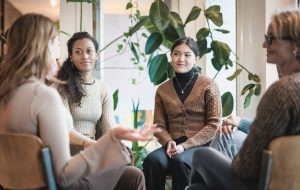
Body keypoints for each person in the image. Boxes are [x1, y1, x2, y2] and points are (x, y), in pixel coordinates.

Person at [0, 13, 160, 190]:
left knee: (131, 174)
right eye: (55, 43)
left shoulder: (7, 92)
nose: (56, 51)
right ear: (42, 47)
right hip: (55, 184)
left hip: (21, 185)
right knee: (128, 169)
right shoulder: (44, 96)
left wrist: (112, 137)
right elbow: (64, 174)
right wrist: (112, 141)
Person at [187, 9, 300, 190]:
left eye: (271, 38)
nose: (264, 44)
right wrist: (240, 123)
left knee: (202, 154)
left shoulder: (284, 90)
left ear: (295, 45)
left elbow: (246, 168)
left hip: (260, 183)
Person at [142, 37, 222, 190]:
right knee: (152, 161)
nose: (181, 59)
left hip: (201, 146)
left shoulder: (209, 85)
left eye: (187, 55)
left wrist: (185, 146)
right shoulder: (162, 90)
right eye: (176, 54)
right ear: (171, 57)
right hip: (173, 146)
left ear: (196, 59)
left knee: (180, 161)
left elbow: (214, 124)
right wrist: (168, 142)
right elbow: (159, 125)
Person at [56, 32, 114, 144]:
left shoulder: (103, 89)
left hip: (93, 148)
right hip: (68, 148)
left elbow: (109, 127)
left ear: (96, 56)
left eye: (89, 51)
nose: (85, 56)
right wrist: (95, 147)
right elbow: (67, 132)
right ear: (71, 57)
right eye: (78, 52)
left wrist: (119, 144)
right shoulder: (62, 86)